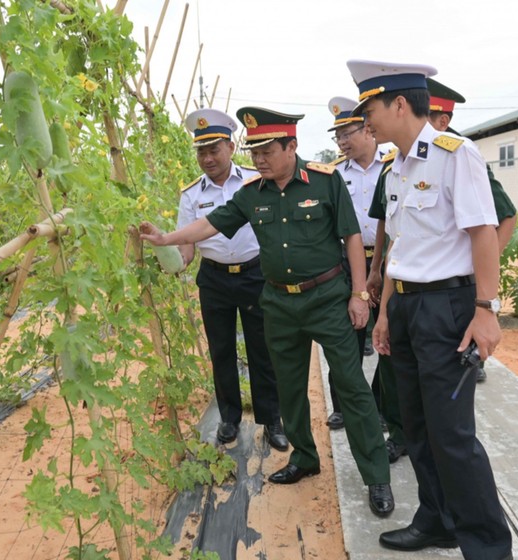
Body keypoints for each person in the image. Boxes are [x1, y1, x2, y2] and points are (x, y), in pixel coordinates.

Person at [141, 107, 394, 517]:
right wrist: (166, 237)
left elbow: (351, 236)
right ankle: (304, 457)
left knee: (351, 385)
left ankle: (376, 475)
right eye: (254, 152)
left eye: (267, 151)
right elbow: (209, 225)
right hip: (278, 302)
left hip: (328, 299)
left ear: (291, 146)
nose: (259, 160)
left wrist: (359, 294)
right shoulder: (251, 193)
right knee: (289, 387)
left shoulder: (327, 182)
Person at [348, 59, 513, 559]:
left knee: (453, 437)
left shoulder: (454, 153)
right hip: (407, 307)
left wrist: (487, 308)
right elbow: (401, 249)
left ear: (400, 104)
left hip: (448, 307)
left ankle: (487, 547)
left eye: (370, 110)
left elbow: (483, 232)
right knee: (415, 426)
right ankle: (437, 519)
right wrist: (384, 314)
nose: (365, 123)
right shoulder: (396, 167)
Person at [177, 108, 287, 451]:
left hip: (256, 275)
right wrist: (168, 261)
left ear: (231, 145)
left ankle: (271, 419)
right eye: (201, 151)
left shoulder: (257, 182)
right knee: (221, 349)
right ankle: (229, 418)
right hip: (214, 280)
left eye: (214, 149)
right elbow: (186, 247)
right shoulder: (191, 195)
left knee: (262, 349)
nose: (207, 158)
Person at [327, 96, 407, 464]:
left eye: (348, 132)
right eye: (338, 136)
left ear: (368, 130)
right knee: (347, 335)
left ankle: (379, 406)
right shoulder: (333, 174)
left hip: (388, 259)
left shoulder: (393, 166)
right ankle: (343, 405)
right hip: (347, 262)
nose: (343, 141)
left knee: (386, 338)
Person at [426, 78, 518, 383]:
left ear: (443, 120)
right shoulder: (416, 158)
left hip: (460, 280)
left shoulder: (461, 154)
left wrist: (483, 265)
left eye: (425, 116)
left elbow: (507, 215)